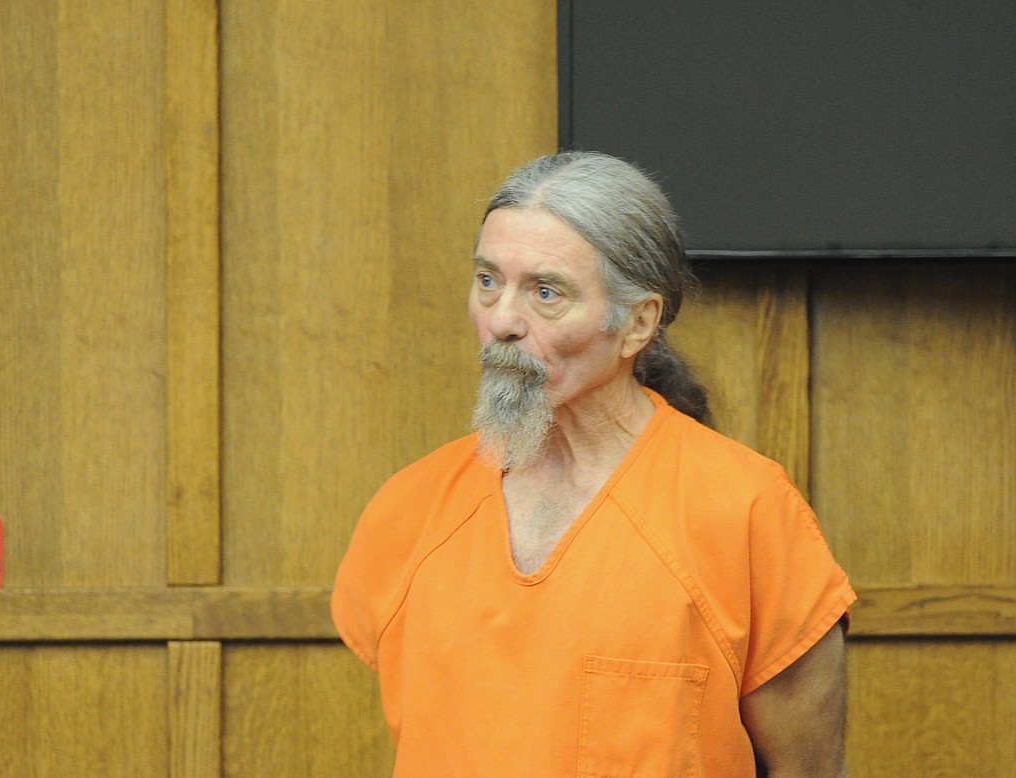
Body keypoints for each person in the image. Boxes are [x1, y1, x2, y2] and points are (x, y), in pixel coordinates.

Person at [332, 151, 856, 777]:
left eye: (546, 292)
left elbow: (809, 769)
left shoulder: (743, 509)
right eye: (489, 280)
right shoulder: (409, 508)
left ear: (638, 323)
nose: (501, 321)